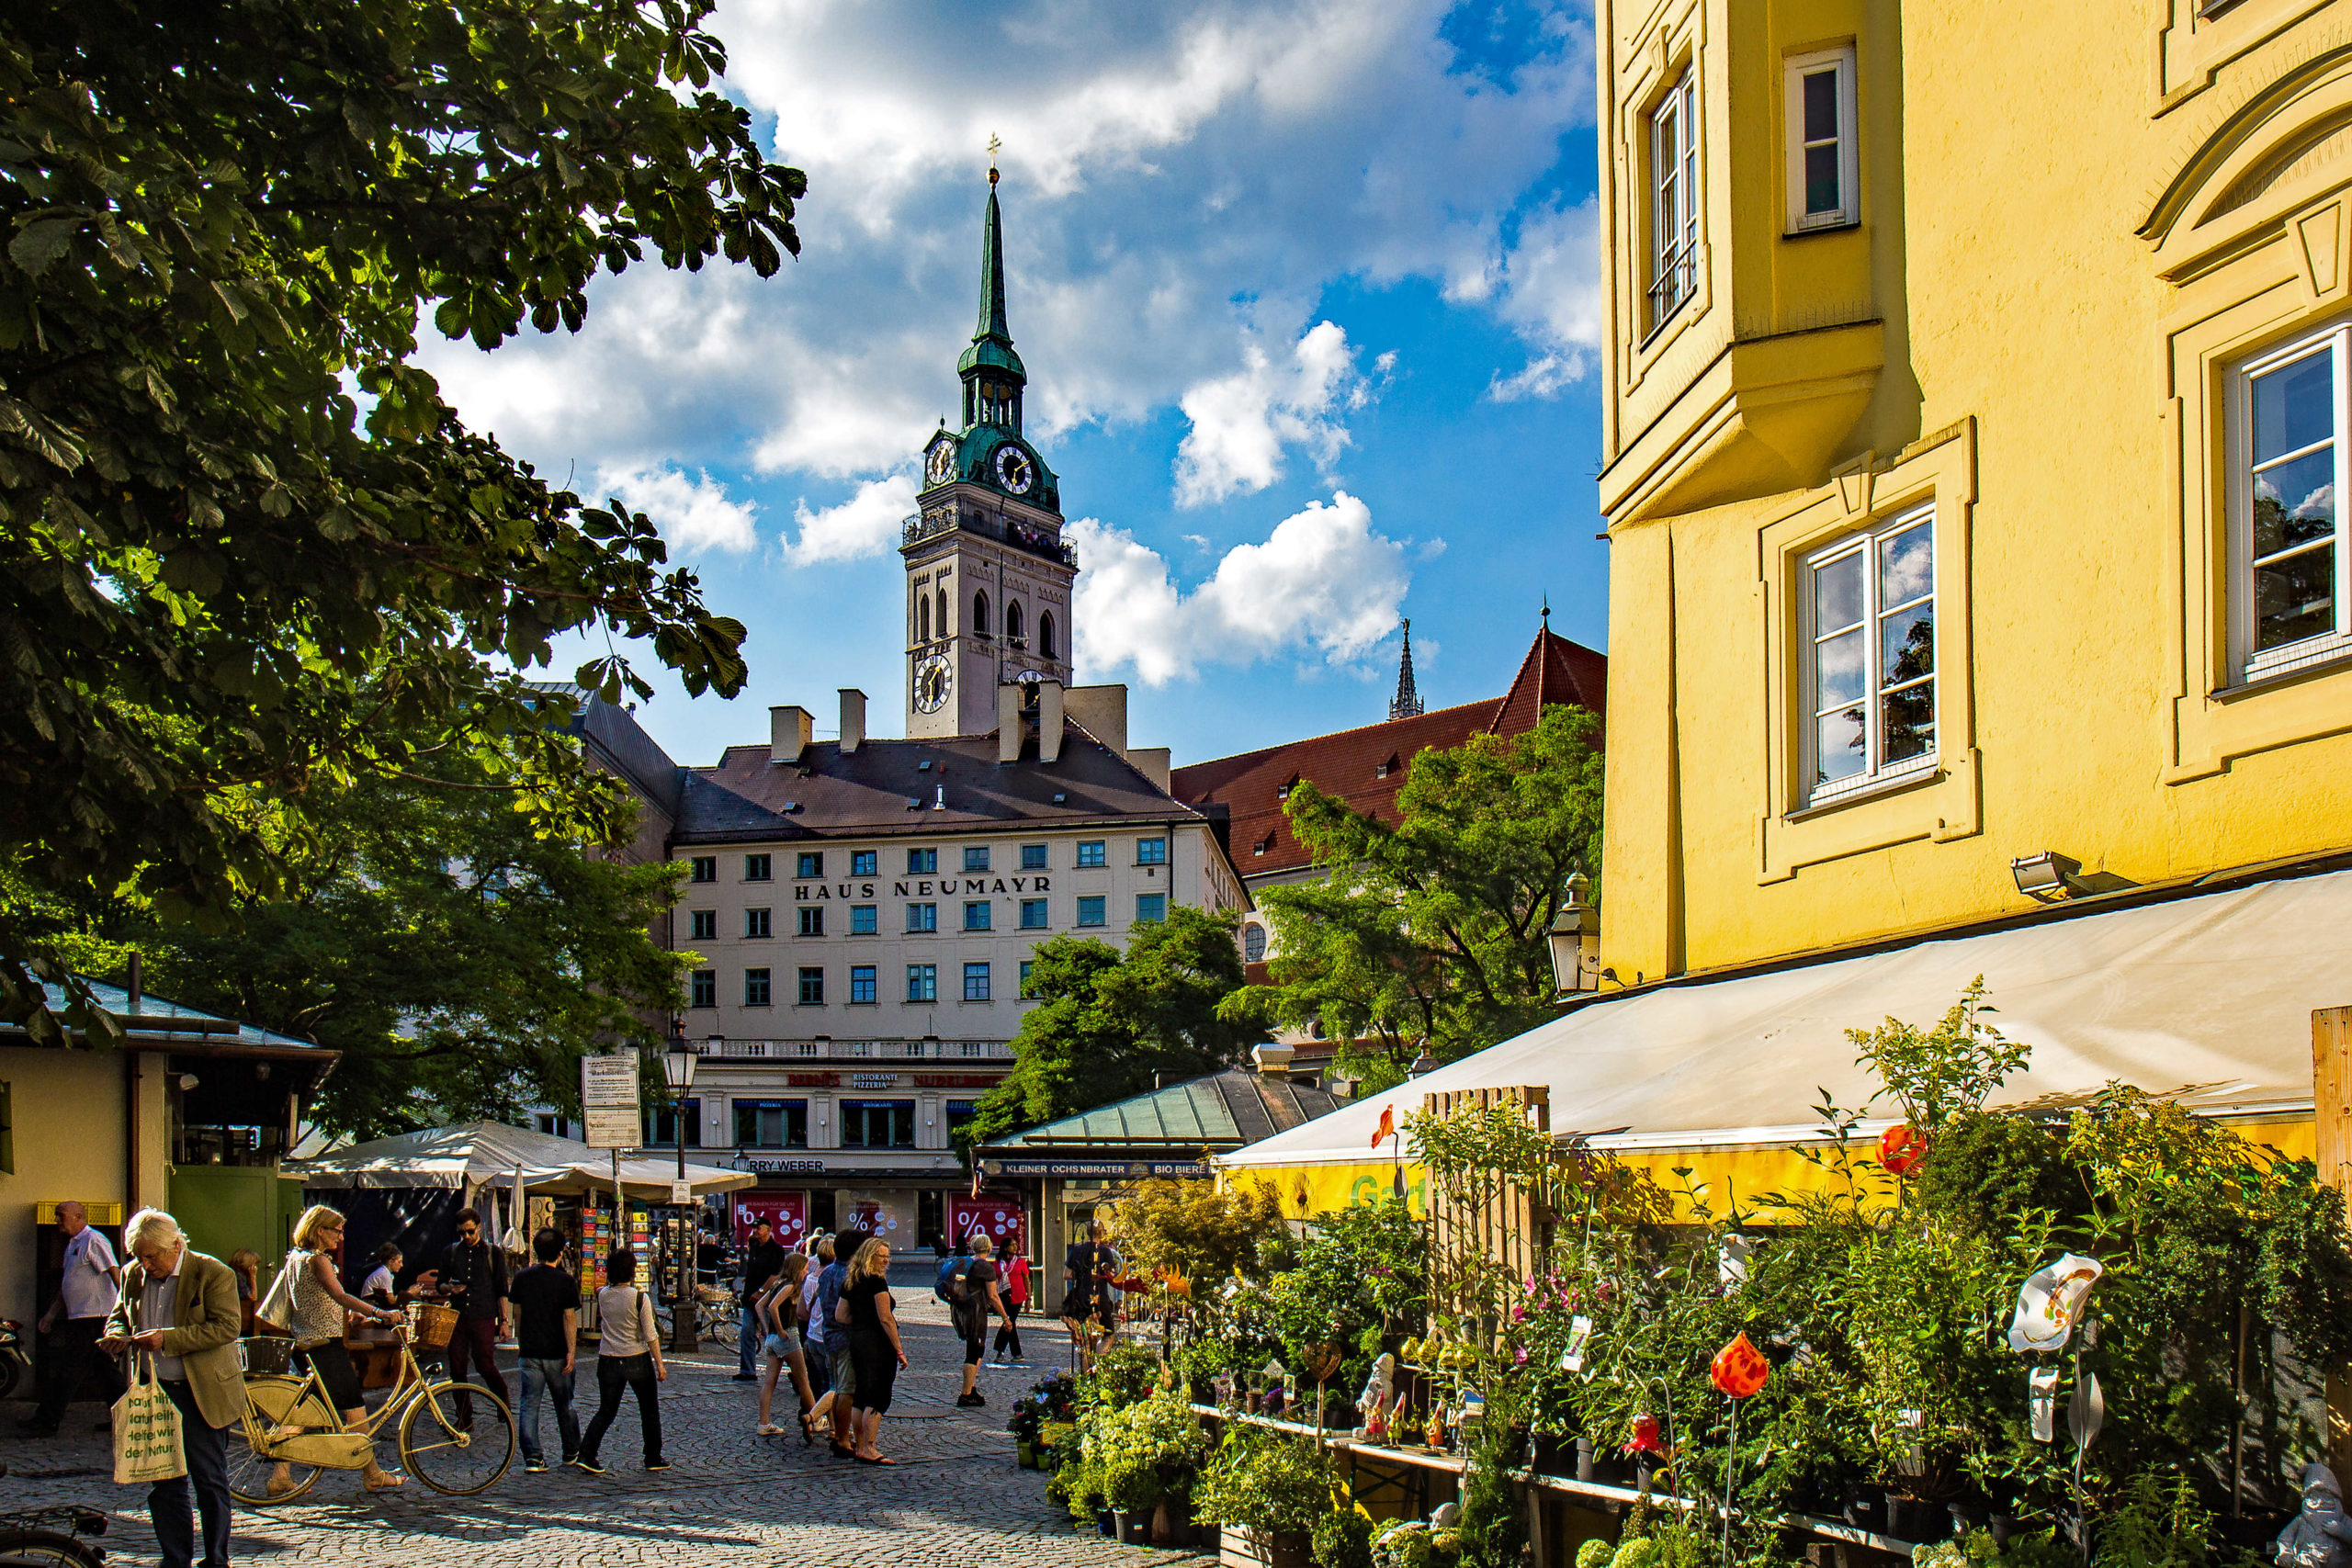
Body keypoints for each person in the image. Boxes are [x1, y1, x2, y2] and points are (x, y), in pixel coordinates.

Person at [99, 1209, 241, 1568]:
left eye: (151, 1256)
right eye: (139, 1257)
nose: (145, 1264)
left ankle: (216, 1560)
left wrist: (168, 1339)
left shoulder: (212, 1272)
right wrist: (116, 1334)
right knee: (165, 1482)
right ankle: (175, 1560)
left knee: (209, 1480)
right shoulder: (133, 1274)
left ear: (175, 1245)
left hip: (199, 1393)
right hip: (155, 1391)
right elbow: (120, 1315)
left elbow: (227, 1327)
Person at [267, 1204, 405, 1495]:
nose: (341, 1238)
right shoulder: (317, 1260)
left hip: (306, 1344)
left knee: (305, 1413)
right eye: (338, 1231)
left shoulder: (296, 1257)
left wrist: (348, 1317)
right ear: (320, 1230)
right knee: (354, 1409)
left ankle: (280, 1476)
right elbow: (339, 1295)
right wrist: (379, 1313)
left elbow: (316, 1300)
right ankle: (372, 1474)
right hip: (324, 1347)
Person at [28, 1199, 123, 1436]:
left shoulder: (94, 1240)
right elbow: (68, 1284)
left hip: (95, 1317)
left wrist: (127, 1308)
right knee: (106, 1373)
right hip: (81, 1317)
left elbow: (114, 1271)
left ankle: (47, 1420)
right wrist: (50, 1315)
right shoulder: (73, 1244)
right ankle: (127, 1419)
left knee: (69, 1368)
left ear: (78, 1217)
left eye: (61, 1215)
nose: (57, 1220)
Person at [575, 1247, 667, 1473]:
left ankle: (586, 1453)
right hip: (636, 1358)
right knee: (649, 1410)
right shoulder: (639, 1298)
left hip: (608, 1358)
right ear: (632, 1271)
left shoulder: (602, 1294)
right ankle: (652, 1457)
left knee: (606, 1410)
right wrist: (659, 1363)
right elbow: (650, 1334)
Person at [509, 1227, 582, 1474]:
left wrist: (522, 1341)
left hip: (530, 1350)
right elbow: (569, 1318)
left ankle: (533, 1457)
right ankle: (571, 1451)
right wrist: (572, 1351)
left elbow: (517, 1314)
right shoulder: (565, 1281)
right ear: (560, 1253)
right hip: (557, 1352)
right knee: (565, 1404)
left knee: (529, 1405)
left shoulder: (521, 1278)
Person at [434, 1206, 511, 1425]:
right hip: (458, 1317)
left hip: (483, 1315)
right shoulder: (451, 1252)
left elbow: (502, 1290)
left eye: (470, 1231)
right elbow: (440, 1284)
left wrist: (504, 1321)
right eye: (462, 1233)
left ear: (479, 1227)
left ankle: (502, 1401)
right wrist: (449, 1288)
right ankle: (464, 1416)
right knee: (457, 1367)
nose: (466, 1236)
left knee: (484, 1363)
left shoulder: (492, 1253)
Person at [836, 1237, 906, 1465]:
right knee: (878, 1396)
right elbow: (886, 1318)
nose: (886, 1260)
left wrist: (860, 1322)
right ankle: (870, 1447)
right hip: (878, 1343)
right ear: (869, 1256)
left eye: (887, 1256)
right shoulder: (877, 1282)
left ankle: (860, 1445)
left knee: (862, 1395)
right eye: (881, 1256)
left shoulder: (851, 1280)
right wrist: (899, 1350)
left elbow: (840, 1315)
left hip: (858, 1340)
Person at [812, 1225, 865, 1457]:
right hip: (846, 1337)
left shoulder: (827, 1272)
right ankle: (843, 1439)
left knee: (836, 1387)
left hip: (828, 1335)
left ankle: (837, 1433)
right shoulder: (851, 1275)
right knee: (847, 1390)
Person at [752, 1252, 817, 1440]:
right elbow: (772, 1306)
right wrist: (780, 1330)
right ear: (797, 1269)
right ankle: (816, 1417)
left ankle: (764, 1423)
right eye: (805, 1269)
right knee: (803, 1380)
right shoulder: (789, 1286)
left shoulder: (777, 1284)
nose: (806, 1272)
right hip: (788, 1336)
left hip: (772, 1340)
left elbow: (759, 1305)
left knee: (769, 1382)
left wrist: (768, 1330)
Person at [952, 1233, 1012, 1409]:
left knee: (974, 1350)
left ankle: (971, 1388)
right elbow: (993, 1296)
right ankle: (966, 1394)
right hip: (976, 1313)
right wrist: (1005, 1318)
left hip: (962, 1311)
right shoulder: (985, 1267)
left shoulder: (965, 1263)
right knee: (974, 1351)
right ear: (989, 1248)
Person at [735, 1218, 784, 1382]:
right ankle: (748, 1371)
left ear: (769, 1229)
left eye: (759, 1228)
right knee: (746, 1332)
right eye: (754, 1228)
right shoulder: (754, 1245)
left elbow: (775, 1275)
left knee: (772, 1335)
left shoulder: (776, 1250)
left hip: (767, 1300)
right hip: (750, 1299)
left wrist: (761, 1290)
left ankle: (787, 1367)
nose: (755, 1230)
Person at [1061, 1221, 1116, 1366]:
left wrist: (1082, 1275)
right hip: (1100, 1298)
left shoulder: (1077, 1250)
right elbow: (1111, 1275)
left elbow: (1067, 1274)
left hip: (1081, 1298)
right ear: (1102, 1233)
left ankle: (1085, 1373)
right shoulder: (1105, 1252)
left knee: (1085, 1338)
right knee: (1108, 1334)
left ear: (1087, 1233)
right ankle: (1098, 1362)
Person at [797, 1235, 835, 1434]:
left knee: (819, 1381)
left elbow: (802, 1313)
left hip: (812, 1335)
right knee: (834, 1385)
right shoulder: (834, 1278)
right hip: (827, 1336)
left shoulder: (810, 1279)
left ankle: (824, 1422)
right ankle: (819, 1419)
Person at [992, 1243, 1031, 1367]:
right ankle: (1016, 1354)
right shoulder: (997, 1262)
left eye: (1016, 1245)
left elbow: (1026, 1279)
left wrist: (1029, 1297)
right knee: (1010, 1323)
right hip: (1003, 1295)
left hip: (1018, 1296)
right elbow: (994, 1279)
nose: (1015, 1247)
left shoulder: (1020, 1261)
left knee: (1009, 1321)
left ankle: (1000, 1351)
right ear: (1005, 1247)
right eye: (1012, 1245)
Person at [226, 1248, 262, 1338]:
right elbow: (253, 1297)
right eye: (253, 1264)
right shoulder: (236, 1276)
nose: (254, 1267)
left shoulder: (234, 1274)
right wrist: (253, 1277)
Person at [359, 1243, 404, 1309]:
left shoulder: (383, 1272)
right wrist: (408, 1294)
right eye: (399, 1262)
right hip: (370, 1307)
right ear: (390, 1261)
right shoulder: (384, 1274)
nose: (401, 1265)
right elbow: (391, 1301)